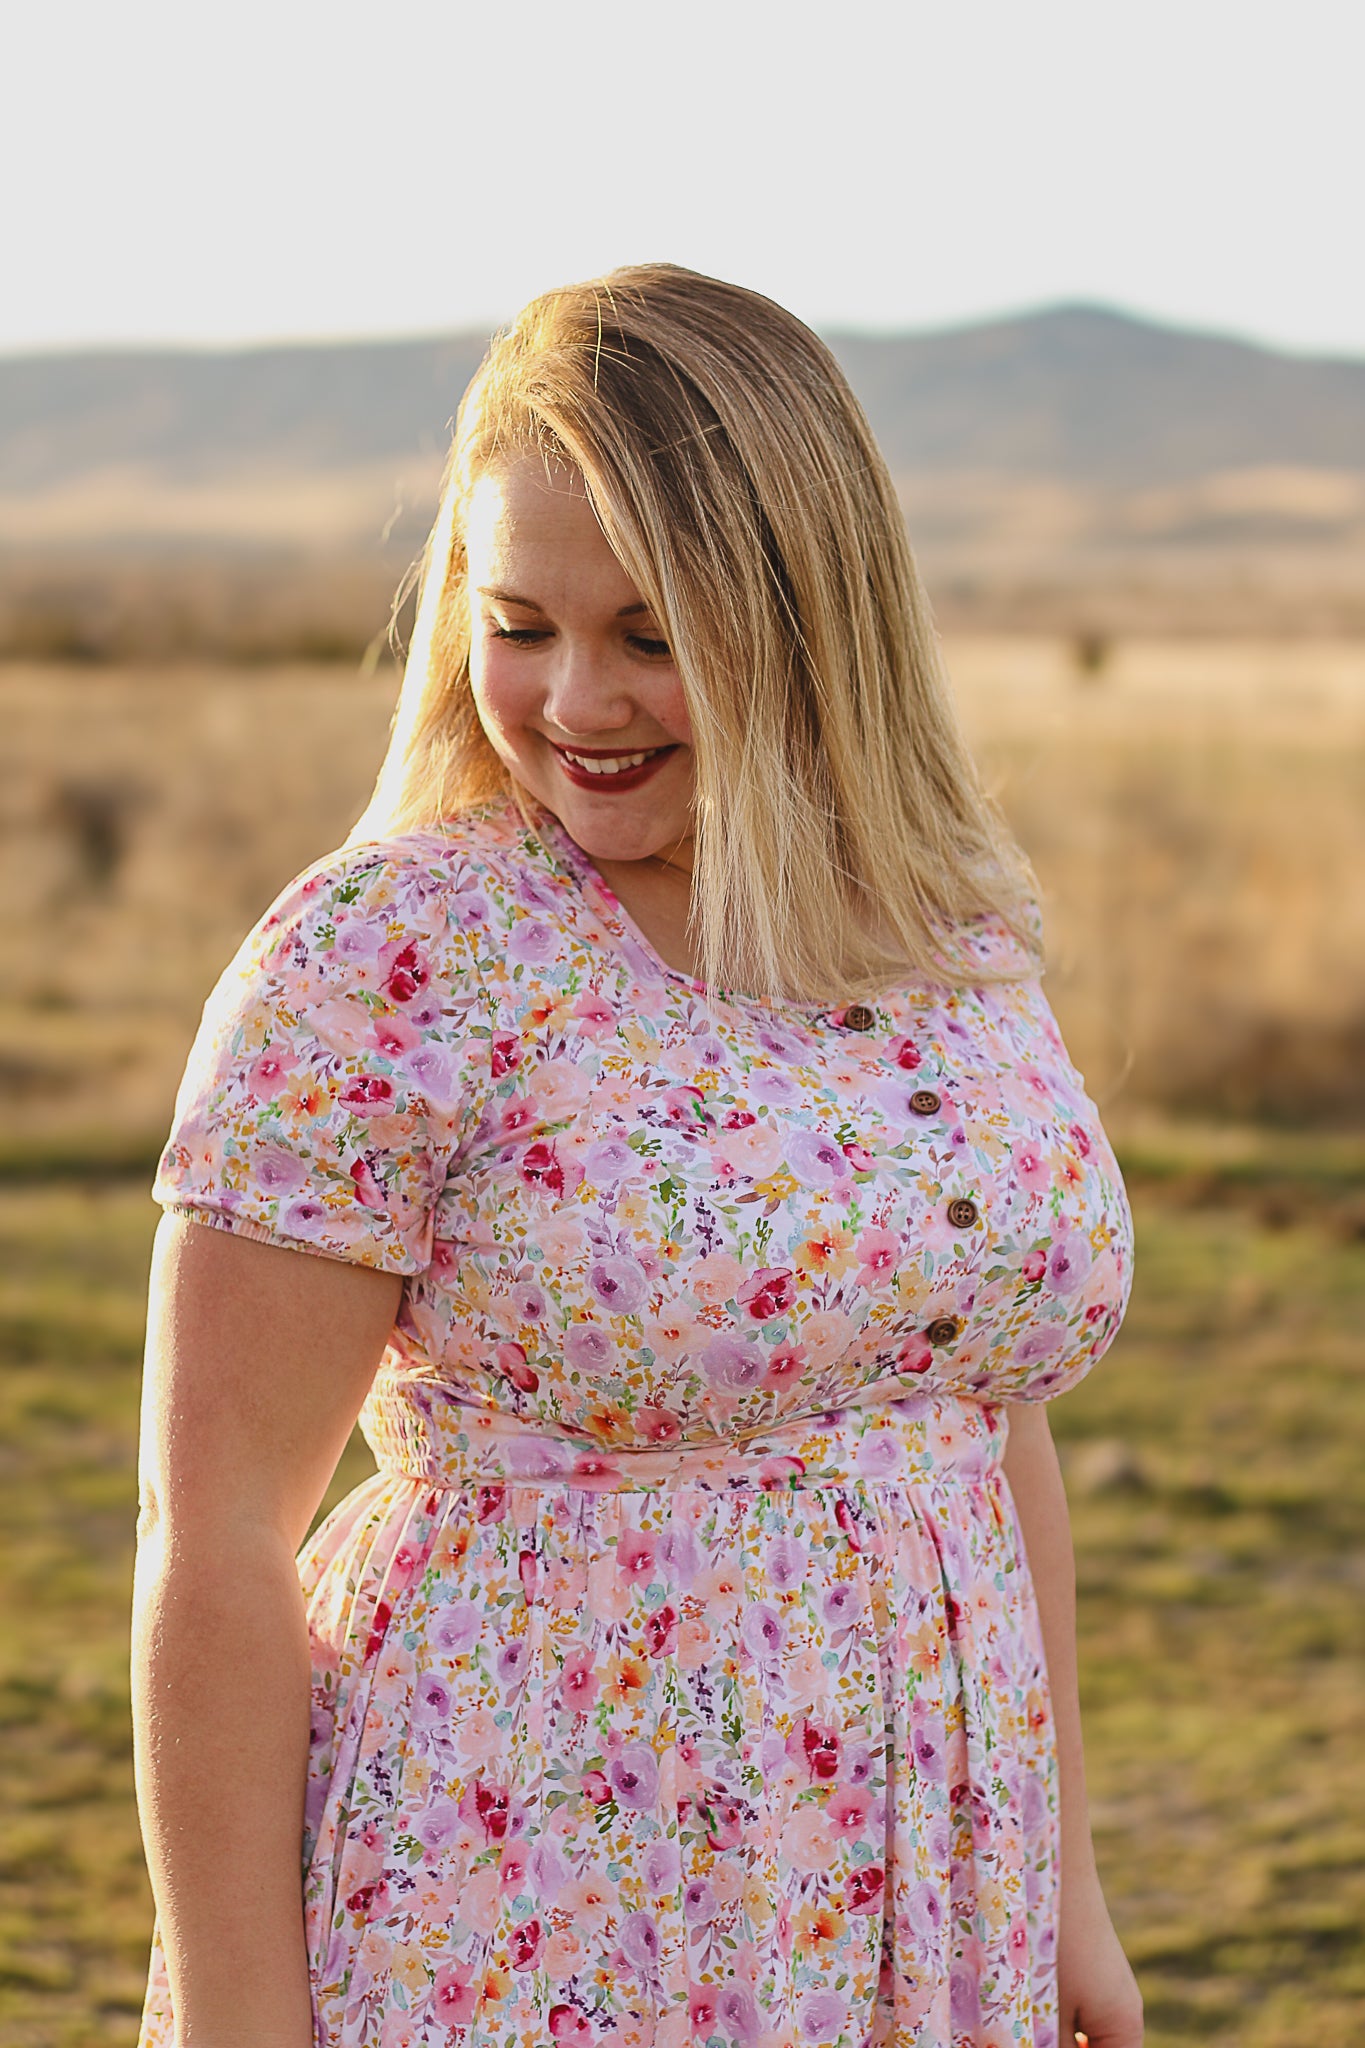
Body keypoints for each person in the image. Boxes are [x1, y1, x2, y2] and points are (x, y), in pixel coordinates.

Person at [132, 263, 1144, 2048]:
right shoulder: (391, 960)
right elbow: (212, 1536)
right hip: (523, 1895)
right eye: (517, 623)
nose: (574, 699)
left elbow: (977, 1423)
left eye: (650, 633)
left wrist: (1062, 1889)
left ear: (808, 614)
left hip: (920, 1899)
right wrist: (234, 2022)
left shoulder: (943, 928)